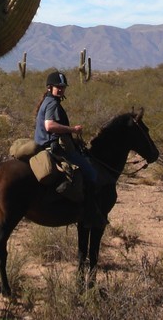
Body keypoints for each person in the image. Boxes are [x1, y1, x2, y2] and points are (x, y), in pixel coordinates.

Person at [34, 71, 108, 228]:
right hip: (53, 148)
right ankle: (90, 214)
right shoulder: (53, 103)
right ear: (49, 88)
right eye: (58, 87)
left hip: (45, 145)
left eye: (62, 87)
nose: (60, 90)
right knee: (90, 171)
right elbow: (49, 125)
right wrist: (73, 129)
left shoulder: (47, 101)